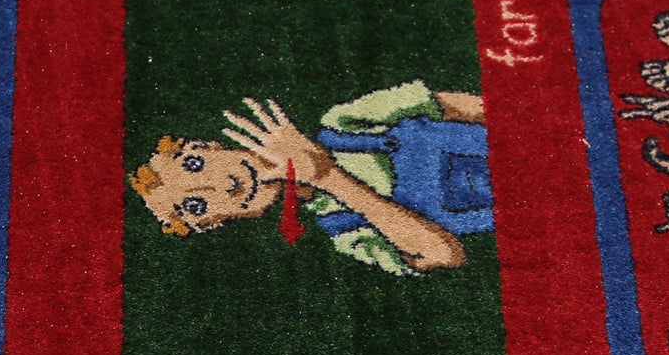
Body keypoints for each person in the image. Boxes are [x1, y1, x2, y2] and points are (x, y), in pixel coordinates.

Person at [129, 82, 490, 276]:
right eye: (196, 205)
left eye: (195, 165)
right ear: (214, 223)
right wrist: (327, 177)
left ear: (207, 147)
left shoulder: (345, 123)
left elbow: (473, 106)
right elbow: (444, 255)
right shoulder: (345, 230)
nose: (224, 185)